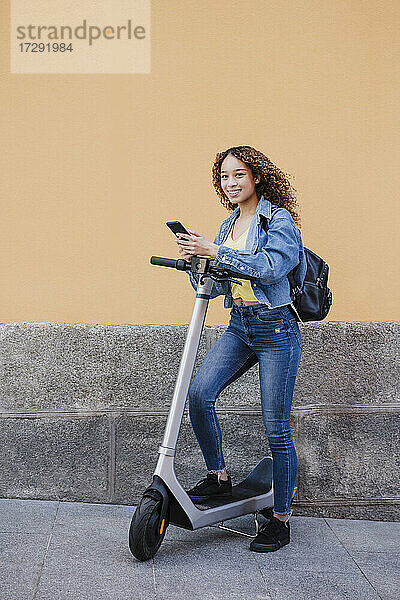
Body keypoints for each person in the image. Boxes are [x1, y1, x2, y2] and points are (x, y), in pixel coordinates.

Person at [175, 145, 307, 553]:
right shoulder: (227, 224)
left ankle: (280, 519)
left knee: (276, 427)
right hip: (241, 325)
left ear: (256, 178)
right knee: (199, 394)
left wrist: (216, 252)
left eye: (238, 175)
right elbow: (214, 287)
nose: (230, 183)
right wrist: (195, 266)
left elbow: (269, 268)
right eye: (224, 177)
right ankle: (219, 476)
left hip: (277, 330)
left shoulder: (279, 221)